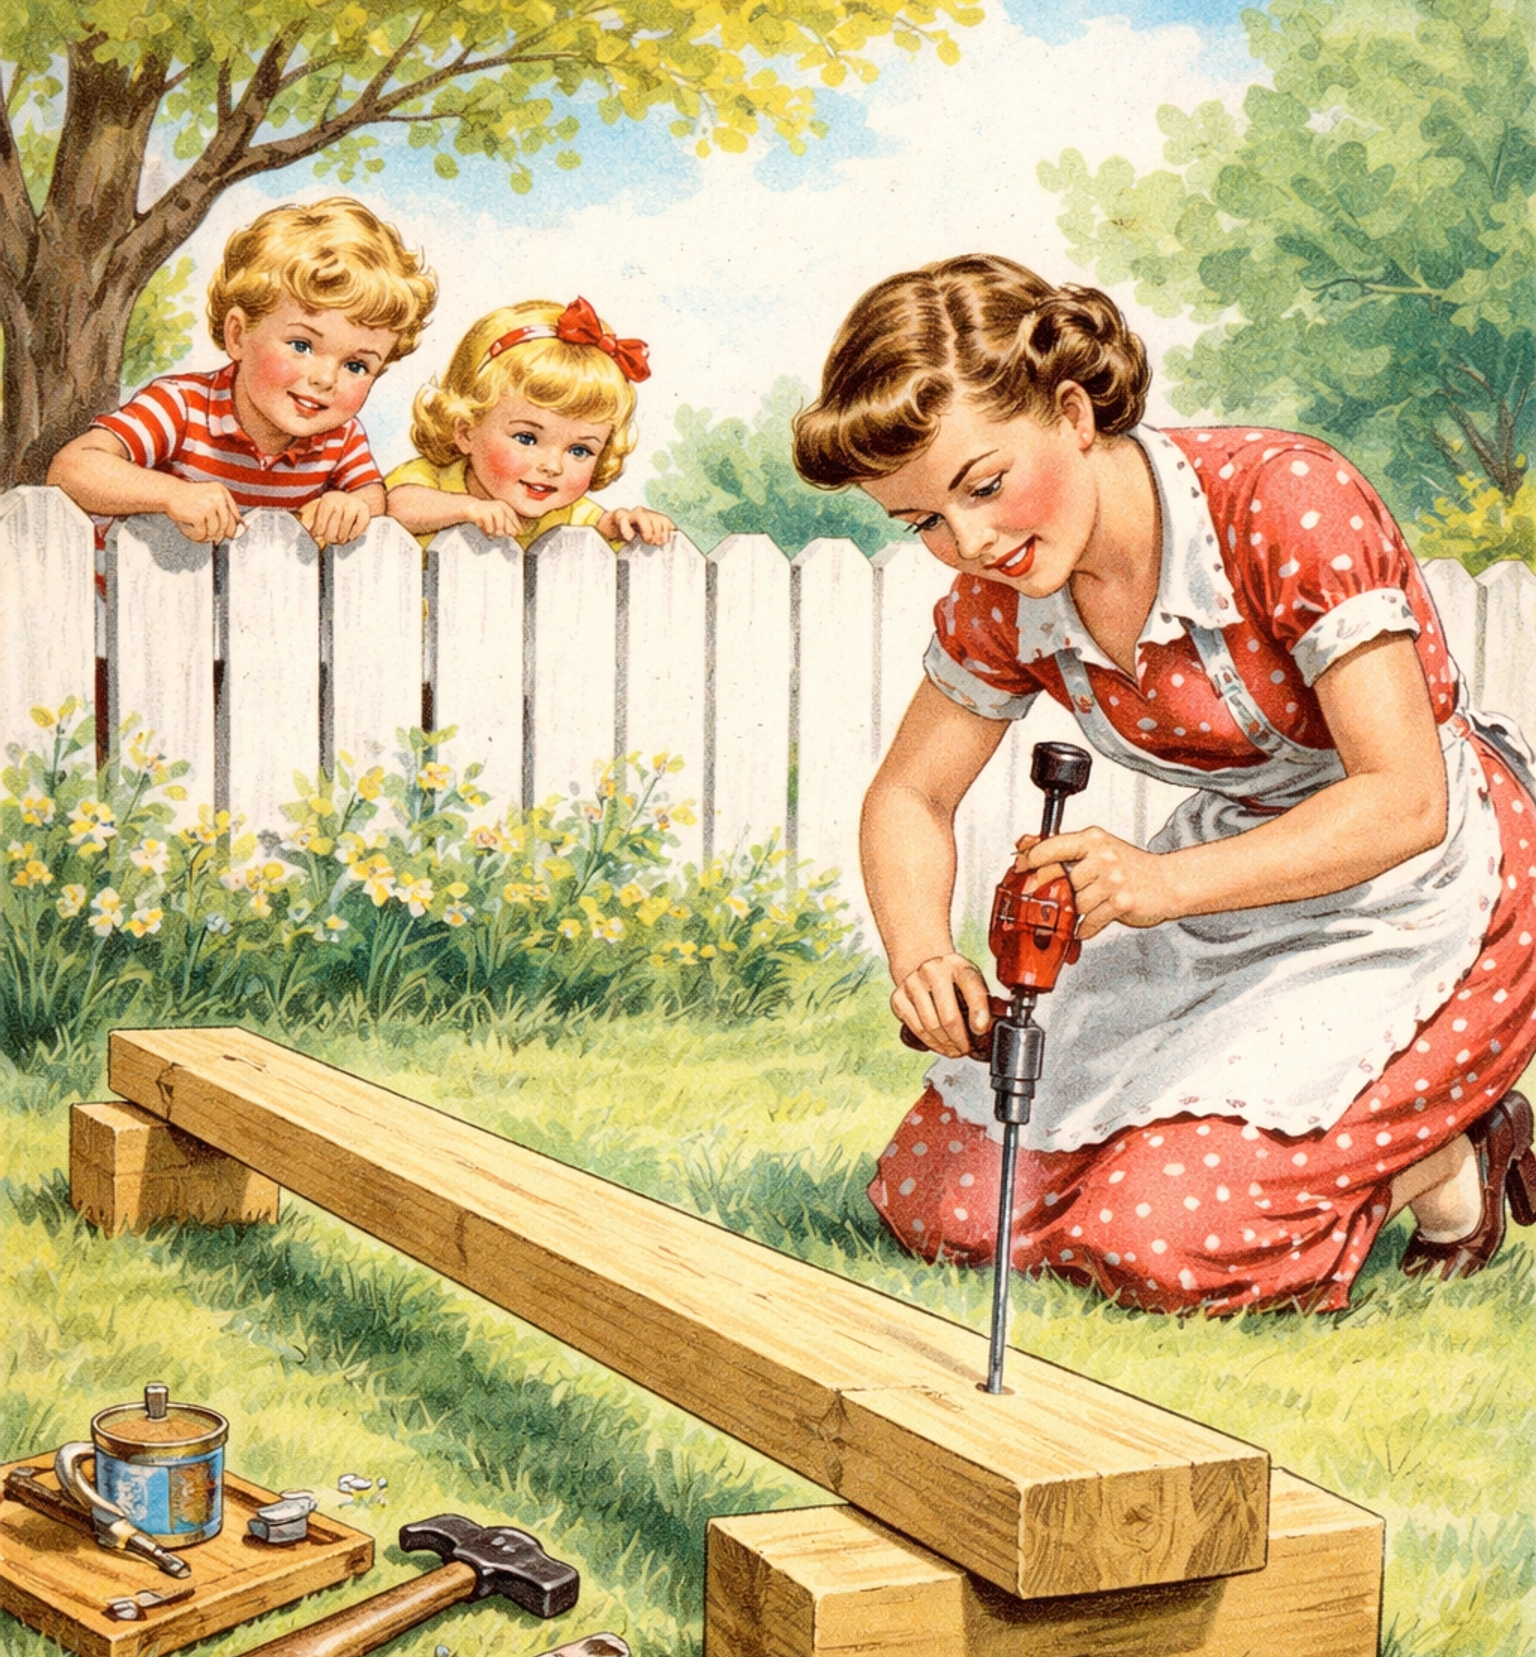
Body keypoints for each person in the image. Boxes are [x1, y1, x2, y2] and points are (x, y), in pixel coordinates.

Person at [792, 254, 1536, 1313]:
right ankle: (1372, 1140)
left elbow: (1403, 800)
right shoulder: (1001, 599)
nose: (972, 545)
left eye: (985, 485)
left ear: (1073, 411)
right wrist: (920, 952)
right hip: (1224, 878)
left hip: (1433, 881)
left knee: (1172, 1244)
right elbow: (910, 796)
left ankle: (1446, 1159)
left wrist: (1160, 889)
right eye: (924, 523)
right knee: (947, 1204)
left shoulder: (1283, 502)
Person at [49, 197, 435, 547]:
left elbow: (372, 495)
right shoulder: (181, 407)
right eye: (302, 345)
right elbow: (72, 467)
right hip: (139, 604)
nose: (325, 379)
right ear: (238, 335)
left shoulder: (341, 437)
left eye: (356, 365)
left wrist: (351, 505)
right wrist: (172, 494)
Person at [385, 298, 675, 550]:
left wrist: (624, 523)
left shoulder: (564, 511)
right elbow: (394, 506)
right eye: (526, 438)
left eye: (579, 450)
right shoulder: (430, 480)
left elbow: (603, 525)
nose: (553, 466)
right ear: (466, 431)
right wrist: (468, 508)